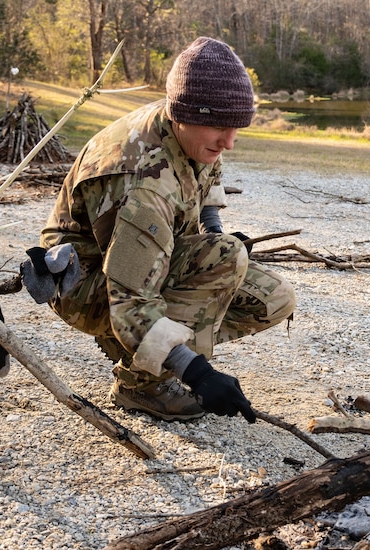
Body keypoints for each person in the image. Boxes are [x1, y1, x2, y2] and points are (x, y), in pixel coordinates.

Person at [21, 37, 295, 423]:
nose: (230, 142)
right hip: (87, 287)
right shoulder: (142, 180)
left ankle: (150, 352)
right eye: (219, 127)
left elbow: (206, 184)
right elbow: (130, 303)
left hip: (153, 258)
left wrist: (215, 230)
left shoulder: (187, 130)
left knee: (274, 298)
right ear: (184, 113)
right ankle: (142, 384)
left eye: (236, 128)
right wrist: (198, 373)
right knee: (227, 258)